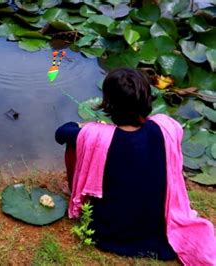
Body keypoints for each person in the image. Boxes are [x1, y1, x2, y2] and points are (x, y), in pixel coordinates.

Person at [55, 68, 216, 264]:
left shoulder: (97, 137)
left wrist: (83, 126)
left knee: (77, 144)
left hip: (108, 233)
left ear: (108, 104)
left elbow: (61, 133)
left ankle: (79, 194)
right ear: (147, 100)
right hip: (155, 230)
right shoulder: (166, 128)